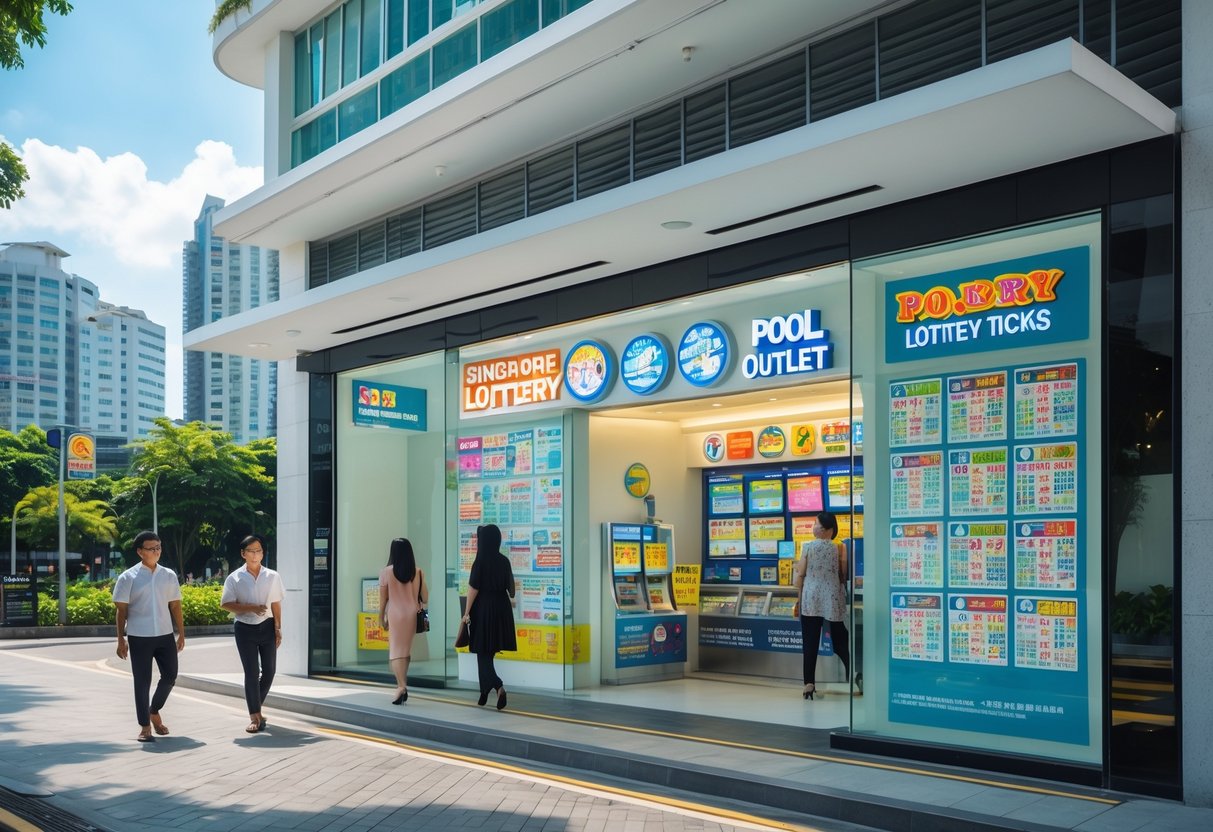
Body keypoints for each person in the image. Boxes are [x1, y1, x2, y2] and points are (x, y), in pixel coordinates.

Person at [112, 531, 185, 742]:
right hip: (139, 636)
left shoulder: (169, 575)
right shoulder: (128, 577)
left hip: (164, 635)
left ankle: (154, 710)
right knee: (142, 682)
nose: (156, 551)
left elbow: (175, 605)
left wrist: (181, 633)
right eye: (151, 548)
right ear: (140, 552)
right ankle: (145, 726)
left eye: (159, 547)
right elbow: (121, 611)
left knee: (170, 676)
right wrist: (120, 639)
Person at [220, 534, 285, 733]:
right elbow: (225, 604)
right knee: (251, 672)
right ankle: (254, 716)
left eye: (259, 551)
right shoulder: (235, 578)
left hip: (267, 626)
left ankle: (256, 705)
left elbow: (276, 602)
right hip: (244, 628)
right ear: (243, 554)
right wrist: (250, 608)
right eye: (251, 551)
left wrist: (278, 628)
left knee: (270, 671)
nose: (256, 555)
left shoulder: (272, 576)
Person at [792, 511, 851, 701]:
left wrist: (798, 590)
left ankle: (808, 685)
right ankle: (852, 675)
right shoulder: (840, 548)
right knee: (840, 637)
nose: (813, 527)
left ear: (826, 529)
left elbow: (800, 575)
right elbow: (843, 573)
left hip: (811, 598)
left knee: (810, 642)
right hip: (832, 597)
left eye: (816, 523)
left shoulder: (807, 547)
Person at [462, 524, 516, 710]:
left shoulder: (480, 561)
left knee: (482, 651)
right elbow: (512, 590)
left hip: (483, 608)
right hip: (501, 608)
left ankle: (498, 686)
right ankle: (483, 693)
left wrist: (466, 612)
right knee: (487, 653)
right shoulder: (504, 561)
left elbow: (473, 589)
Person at [378, 538, 427, 704]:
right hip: (412, 614)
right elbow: (425, 597)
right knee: (405, 651)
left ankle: (401, 687)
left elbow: (383, 600)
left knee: (395, 652)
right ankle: (402, 685)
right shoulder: (418, 571)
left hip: (395, 615)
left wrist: (381, 618)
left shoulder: (386, 572)